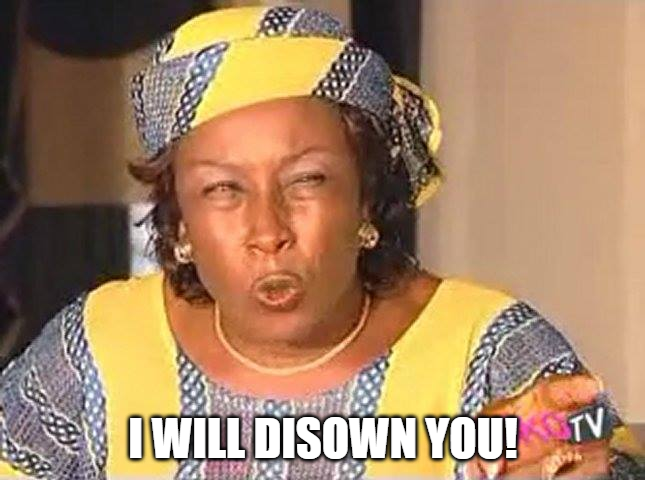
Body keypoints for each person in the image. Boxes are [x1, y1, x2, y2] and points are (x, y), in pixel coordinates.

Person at [0, 6, 642, 479]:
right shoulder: (98, 348)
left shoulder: (489, 344)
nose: (268, 231)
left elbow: (594, 438)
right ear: (181, 222)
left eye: (306, 180)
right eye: (222, 189)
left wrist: (578, 456)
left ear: (364, 197)